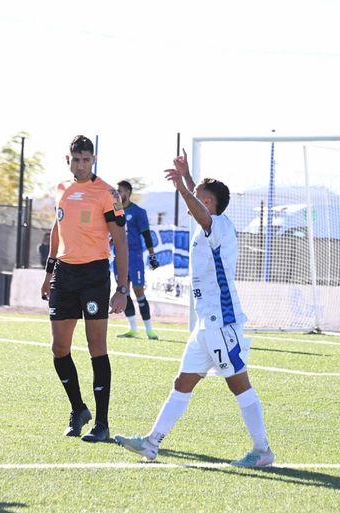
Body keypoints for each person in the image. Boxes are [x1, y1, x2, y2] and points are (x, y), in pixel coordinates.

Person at [115, 150, 274, 468]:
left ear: (209, 204)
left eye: (199, 197)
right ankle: (151, 443)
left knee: (239, 384)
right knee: (182, 382)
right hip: (205, 323)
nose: (192, 200)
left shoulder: (217, 225)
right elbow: (200, 204)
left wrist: (183, 188)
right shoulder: (210, 223)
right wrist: (187, 176)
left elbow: (201, 211)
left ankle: (262, 450)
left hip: (221, 321)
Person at [40, 135, 128, 443]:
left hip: (94, 275)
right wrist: (49, 272)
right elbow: (57, 229)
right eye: (76, 160)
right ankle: (78, 409)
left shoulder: (107, 193)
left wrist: (122, 288)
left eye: (86, 160)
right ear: (68, 160)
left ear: (94, 160)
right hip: (64, 274)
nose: (80, 165)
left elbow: (120, 241)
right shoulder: (61, 189)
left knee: (96, 347)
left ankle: (102, 424)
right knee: (59, 348)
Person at [112, 180, 159, 340]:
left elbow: (146, 234)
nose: (117, 194)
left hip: (134, 258)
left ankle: (149, 330)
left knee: (139, 291)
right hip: (118, 257)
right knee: (123, 291)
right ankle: (132, 329)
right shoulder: (113, 210)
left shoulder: (138, 212)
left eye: (120, 191)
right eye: (116, 191)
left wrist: (152, 256)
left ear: (128, 192)